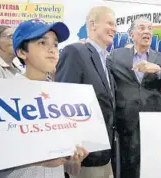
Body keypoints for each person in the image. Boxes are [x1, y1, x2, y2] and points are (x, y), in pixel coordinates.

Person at [0, 19, 89, 178]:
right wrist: (37, 160)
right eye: (42, 43)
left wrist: (72, 160)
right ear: (22, 52)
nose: (52, 50)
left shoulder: (61, 96)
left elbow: (67, 160)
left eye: (55, 44)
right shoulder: (3, 98)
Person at [108, 17, 161, 178]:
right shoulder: (117, 56)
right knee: (127, 169)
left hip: (153, 122)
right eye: (141, 28)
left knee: (153, 166)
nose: (146, 31)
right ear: (132, 34)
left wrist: (158, 70)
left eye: (149, 28)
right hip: (125, 122)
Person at [55, 6, 117, 178]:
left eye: (116, 25)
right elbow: (63, 103)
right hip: (84, 157)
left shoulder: (106, 60)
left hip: (106, 154)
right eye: (110, 23)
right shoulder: (75, 51)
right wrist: (69, 150)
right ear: (93, 24)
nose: (114, 28)